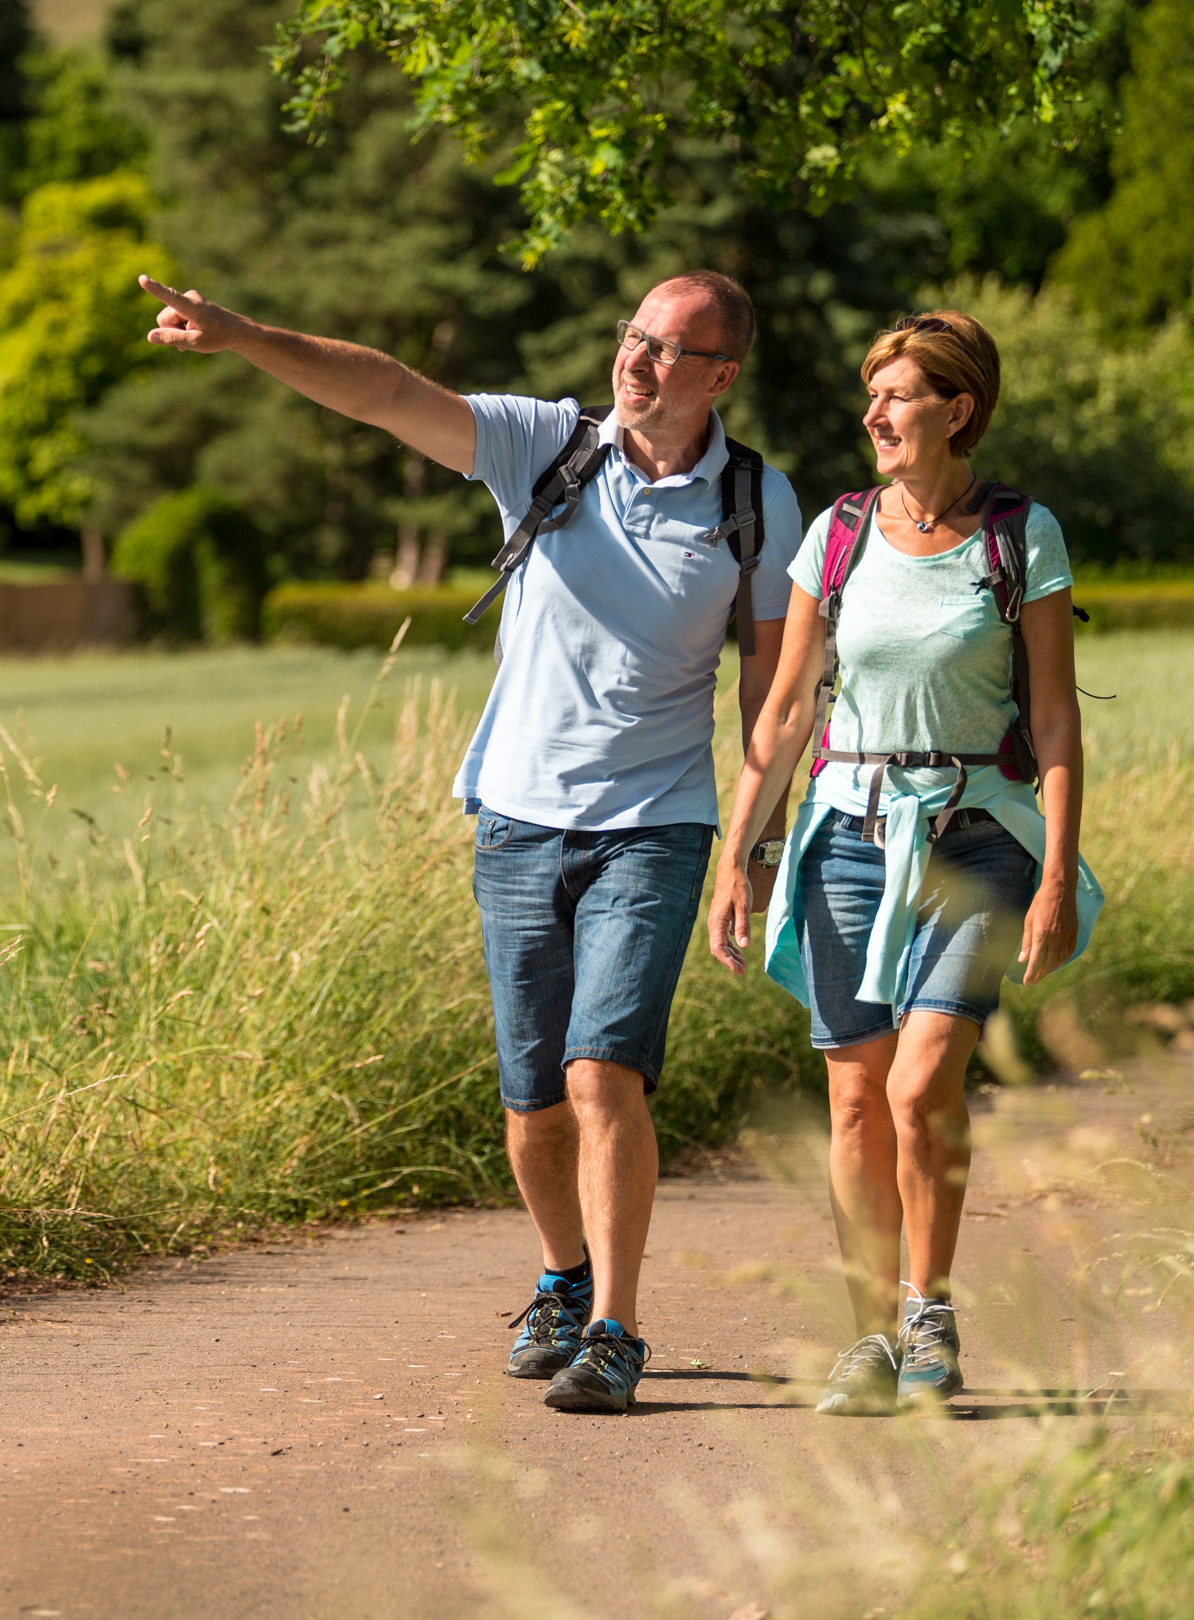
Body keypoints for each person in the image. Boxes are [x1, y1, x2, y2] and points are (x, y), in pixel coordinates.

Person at [141, 270, 803, 1414]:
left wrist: (754, 844)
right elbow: (388, 393)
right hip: (513, 816)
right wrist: (247, 336)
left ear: (720, 376)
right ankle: (562, 1272)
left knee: (604, 1072)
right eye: (631, 339)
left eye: (666, 351)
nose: (637, 364)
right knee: (532, 1098)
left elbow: (769, 687)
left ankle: (614, 1330)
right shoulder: (545, 447)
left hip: (654, 823)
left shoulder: (754, 500)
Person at [708, 311, 1099, 1415]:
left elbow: (1059, 724)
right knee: (851, 1098)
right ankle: (871, 1339)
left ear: (956, 409)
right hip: (845, 833)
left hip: (979, 836)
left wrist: (1058, 875)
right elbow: (784, 711)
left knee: (919, 1083)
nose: (873, 414)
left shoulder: (1021, 535)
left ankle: (928, 1311)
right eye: (871, 394)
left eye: (897, 395)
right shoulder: (835, 533)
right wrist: (739, 853)